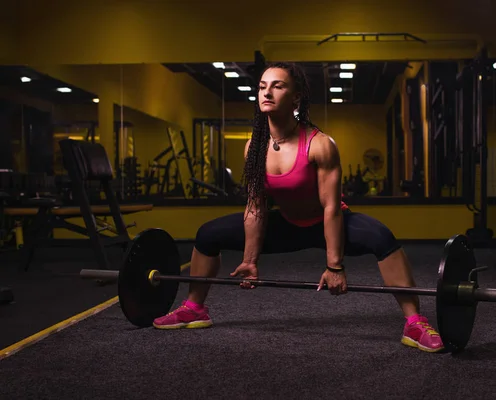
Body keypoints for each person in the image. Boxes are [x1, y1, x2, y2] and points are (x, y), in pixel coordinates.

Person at [153, 62, 444, 353]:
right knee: (207, 234)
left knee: (382, 239)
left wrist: (335, 266)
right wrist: (250, 259)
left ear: (296, 97)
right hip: (288, 224)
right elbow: (256, 205)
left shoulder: (320, 144)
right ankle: (194, 308)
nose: (267, 92)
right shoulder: (254, 147)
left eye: (277, 86)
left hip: (328, 222)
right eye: (262, 86)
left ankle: (414, 322)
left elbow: (331, 207)